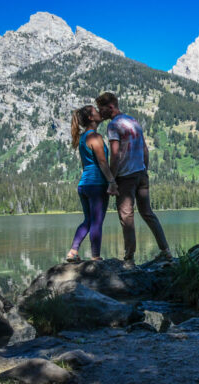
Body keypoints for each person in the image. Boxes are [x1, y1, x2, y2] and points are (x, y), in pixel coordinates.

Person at [96, 92, 172, 268]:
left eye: (102, 109)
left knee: (126, 216)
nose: (101, 114)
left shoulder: (114, 125)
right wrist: (144, 169)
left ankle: (129, 259)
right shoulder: (134, 122)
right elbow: (145, 149)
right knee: (148, 213)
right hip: (141, 174)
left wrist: (112, 180)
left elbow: (115, 155)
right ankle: (166, 251)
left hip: (125, 176)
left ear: (111, 107)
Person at [66, 105, 119, 262]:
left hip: (84, 185)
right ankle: (95, 257)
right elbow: (102, 162)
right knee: (96, 222)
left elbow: (86, 165)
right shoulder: (95, 137)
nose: (99, 111)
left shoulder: (83, 138)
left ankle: (73, 251)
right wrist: (112, 181)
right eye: (96, 111)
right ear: (91, 118)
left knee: (88, 220)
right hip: (97, 185)